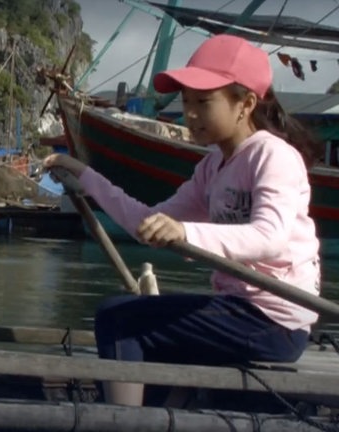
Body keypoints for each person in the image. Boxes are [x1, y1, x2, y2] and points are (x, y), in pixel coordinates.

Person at [43, 34, 323, 406]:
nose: (189, 113)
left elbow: (269, 237)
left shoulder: (273, 156)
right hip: (237, 310)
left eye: (203, 102)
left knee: (120, 320)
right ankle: (154, 414)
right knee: (133, 326)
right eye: (186, 101)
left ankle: (124, 423)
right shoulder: (212, 167)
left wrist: (186, 232)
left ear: (246, 104)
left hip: (275, 322)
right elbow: (147, 222)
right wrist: (86, 176)